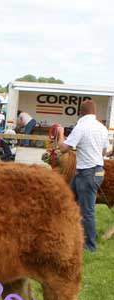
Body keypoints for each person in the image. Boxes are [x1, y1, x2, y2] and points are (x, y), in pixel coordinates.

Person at [59, 100, 109, 252]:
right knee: (67, 201)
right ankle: (65, 234)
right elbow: (104, 152)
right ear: (94, 112)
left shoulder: (81, 126)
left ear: (81, 112)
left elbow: (63, 149)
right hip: (97, 171)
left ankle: (90, 247)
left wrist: (61, 133)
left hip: (86, 172)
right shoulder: (102, 127)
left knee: (87, 211)